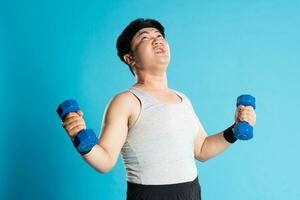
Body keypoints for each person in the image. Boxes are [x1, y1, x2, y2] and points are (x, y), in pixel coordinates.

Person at [61, 18, 256, 200]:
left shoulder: (183, 99)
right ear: (130, 58)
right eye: (145, 37)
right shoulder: (126, 101)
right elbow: (105, 161)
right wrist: (79, 137)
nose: (156, 40)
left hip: (191, 192)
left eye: (159, 36)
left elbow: (202, 149)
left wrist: (235, 130)